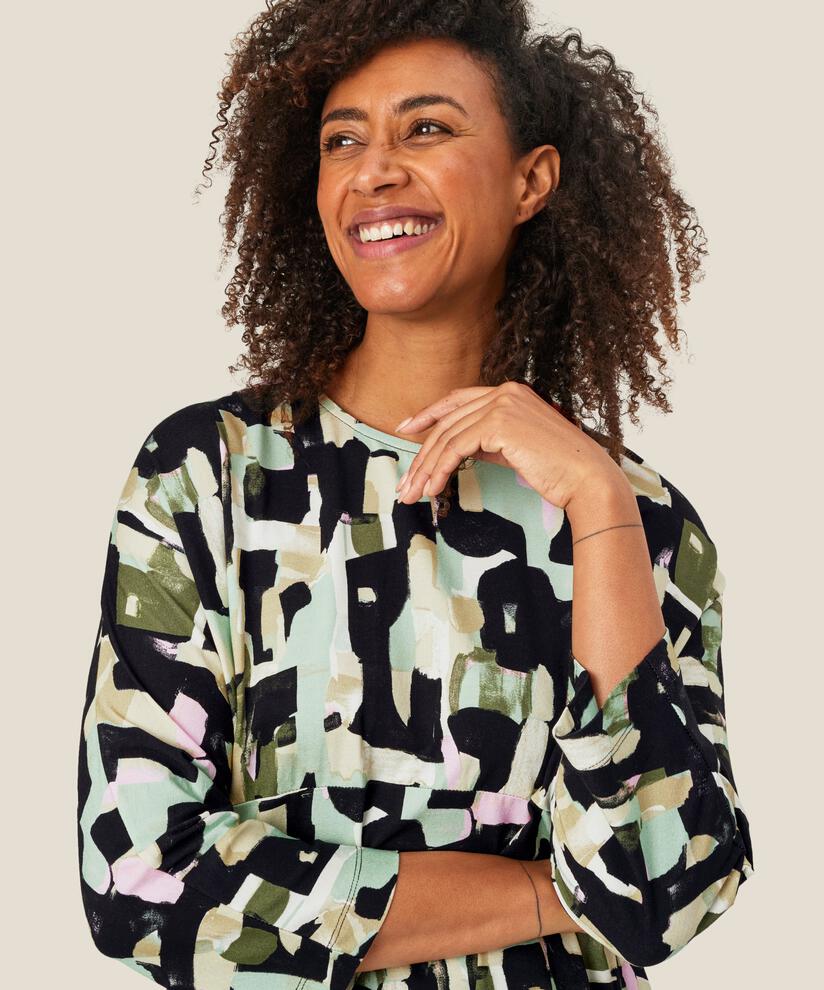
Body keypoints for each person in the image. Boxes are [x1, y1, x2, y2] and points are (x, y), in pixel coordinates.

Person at [75, 2, 755, 989]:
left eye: (426, 128)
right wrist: (560, 894)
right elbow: (139, 881)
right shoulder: (209, 474)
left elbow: (664, 891)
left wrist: (594, 501)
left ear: (530, 181)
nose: (374, 170)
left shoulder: (639, 521)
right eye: (342, 141)